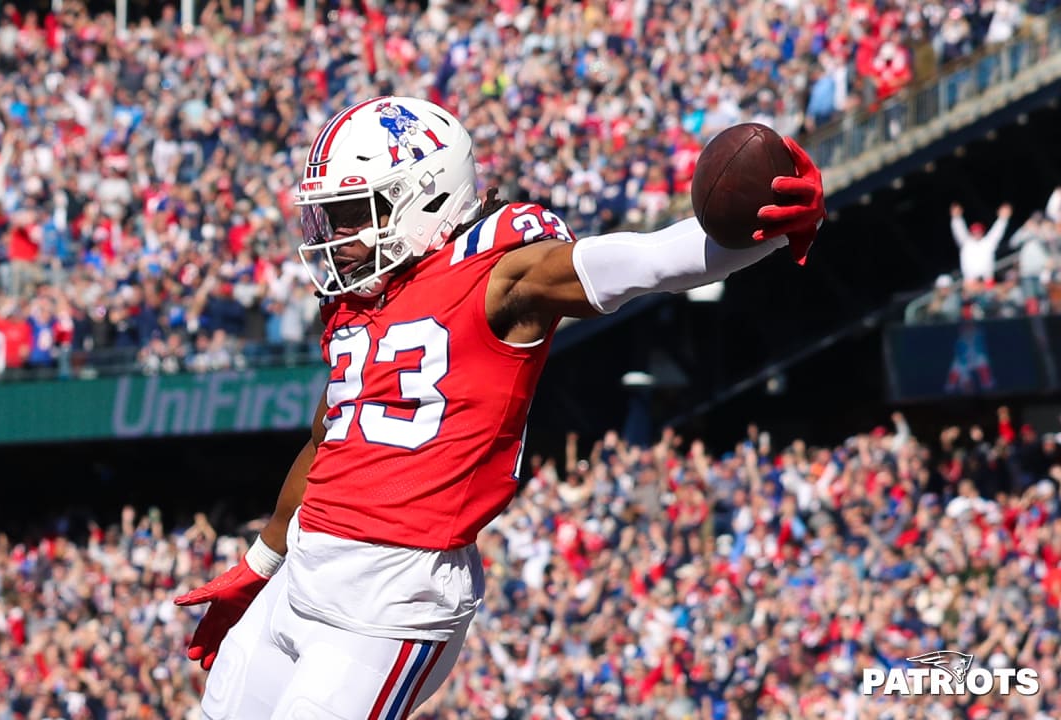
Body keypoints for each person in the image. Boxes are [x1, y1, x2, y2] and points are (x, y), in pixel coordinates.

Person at [173, 96, 826, 719]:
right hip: (304, 571)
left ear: (423, 201)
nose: (335, 236)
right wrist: (260, 563)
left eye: (353, 213)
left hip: (390, 599)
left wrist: (771, 232)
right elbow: (329, 439)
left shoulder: (501, 275)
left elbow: (646, 261)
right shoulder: (362, 299)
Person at [950, 202, 1012, 283]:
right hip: (971, 282)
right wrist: (956, 218)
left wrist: (1003, 218)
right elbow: (958, 230)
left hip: (988, 281)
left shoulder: (988, 243)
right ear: (971, 233)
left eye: (979, 231)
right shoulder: (966, 243)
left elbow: (997, 231)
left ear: (983, 232)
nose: (977, 233)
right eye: (975, 232)